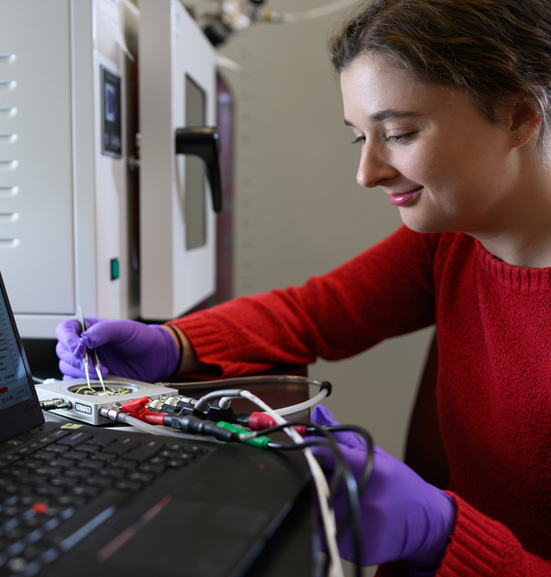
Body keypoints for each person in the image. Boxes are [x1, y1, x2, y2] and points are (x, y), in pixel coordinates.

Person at [55, 0, 551, 575]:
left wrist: (445, 535)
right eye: (358, 138)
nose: (368, 173)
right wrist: (174, 345)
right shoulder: (452, 242)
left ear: (519, 116)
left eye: (399, 132)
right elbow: (311, 314)